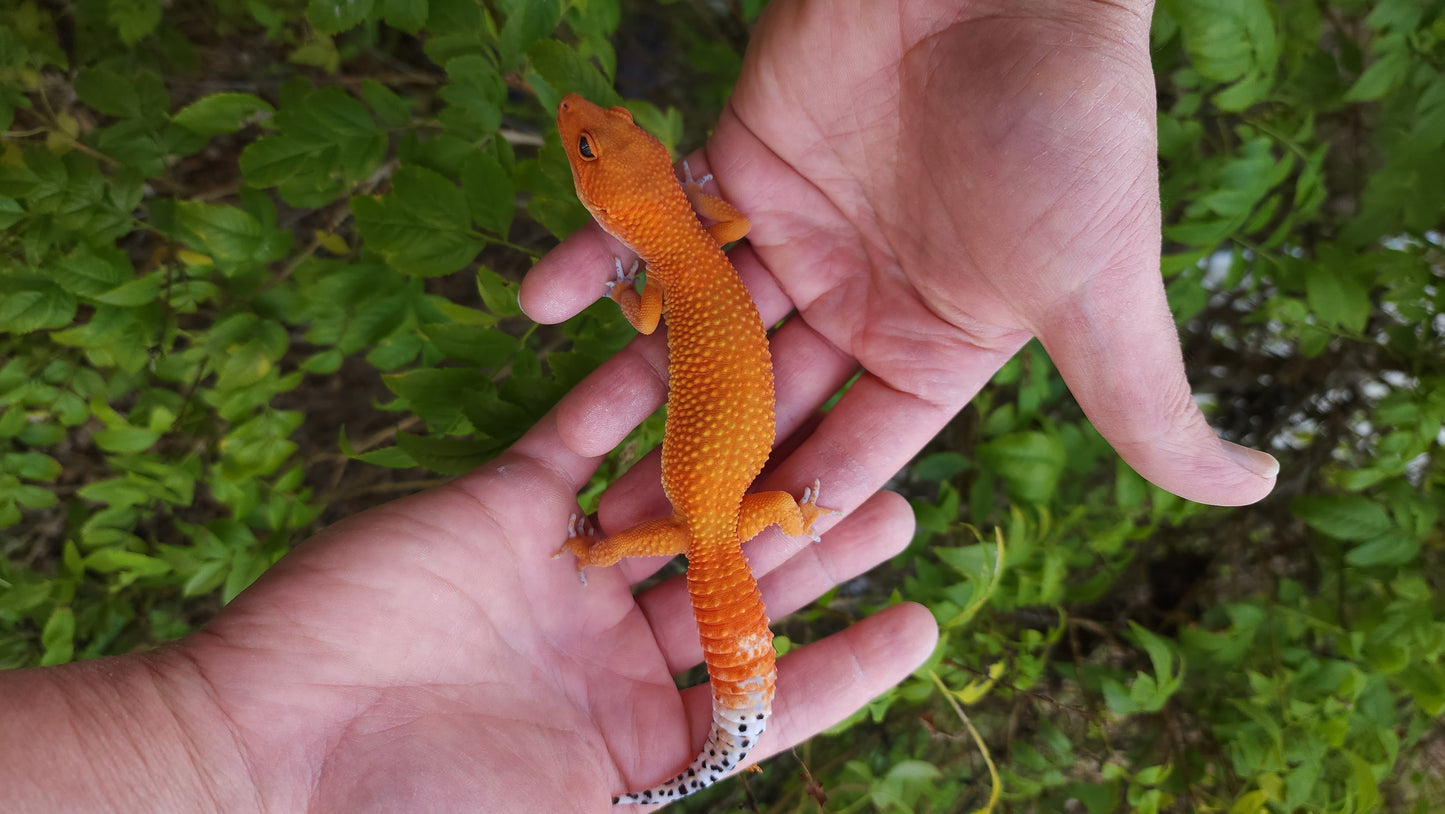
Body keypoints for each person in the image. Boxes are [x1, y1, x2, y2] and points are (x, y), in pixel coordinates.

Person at [1, 1, 1276, 811]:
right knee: (710, 536)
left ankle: (726, 731)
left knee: (721, 535)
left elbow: (662, 313)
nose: (582, 129)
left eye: (594, 141)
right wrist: (615, 538)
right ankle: (722, 725)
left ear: (632, 194)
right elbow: (675, 284)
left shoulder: (679, 264)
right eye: (587, 140)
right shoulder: (690, 244)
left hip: (742, 500)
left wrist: (659, 524)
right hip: (720, 493)